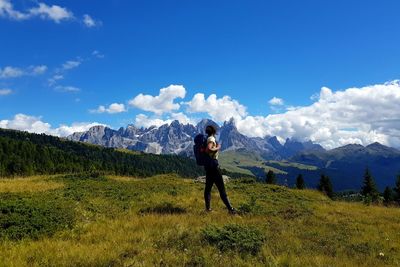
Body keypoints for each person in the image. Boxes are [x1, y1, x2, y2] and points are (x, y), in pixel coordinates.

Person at [204, 125, 236, 214]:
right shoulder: (211, 139)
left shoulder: (207, 138)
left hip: (209, 168)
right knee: (221, 189)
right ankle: (231, 210)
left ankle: (208, 209)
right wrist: (218, 147)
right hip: (214, 168)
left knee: (208, 189)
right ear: (214, 131)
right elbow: (209, 149)